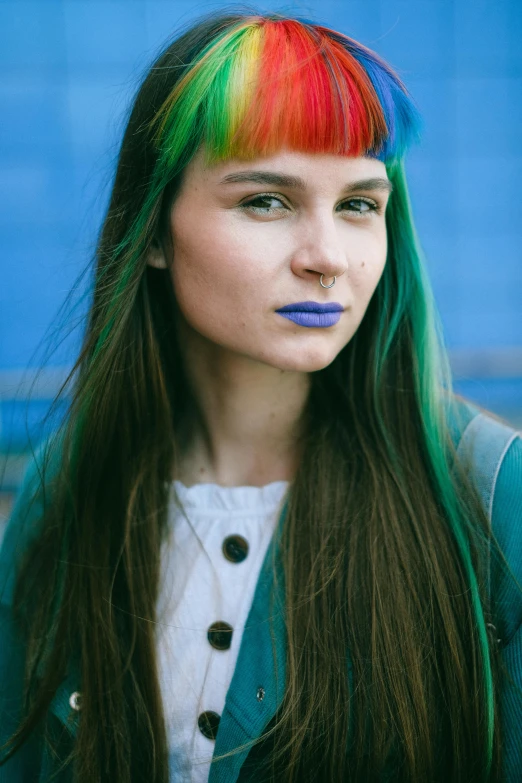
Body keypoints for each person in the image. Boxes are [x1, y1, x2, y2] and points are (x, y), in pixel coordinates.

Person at [0, 8, 521, 783]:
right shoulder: (65, 486)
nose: (327, 259)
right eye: (266, 201)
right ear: (150, 231)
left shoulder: (488, 492)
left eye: (359, 204)